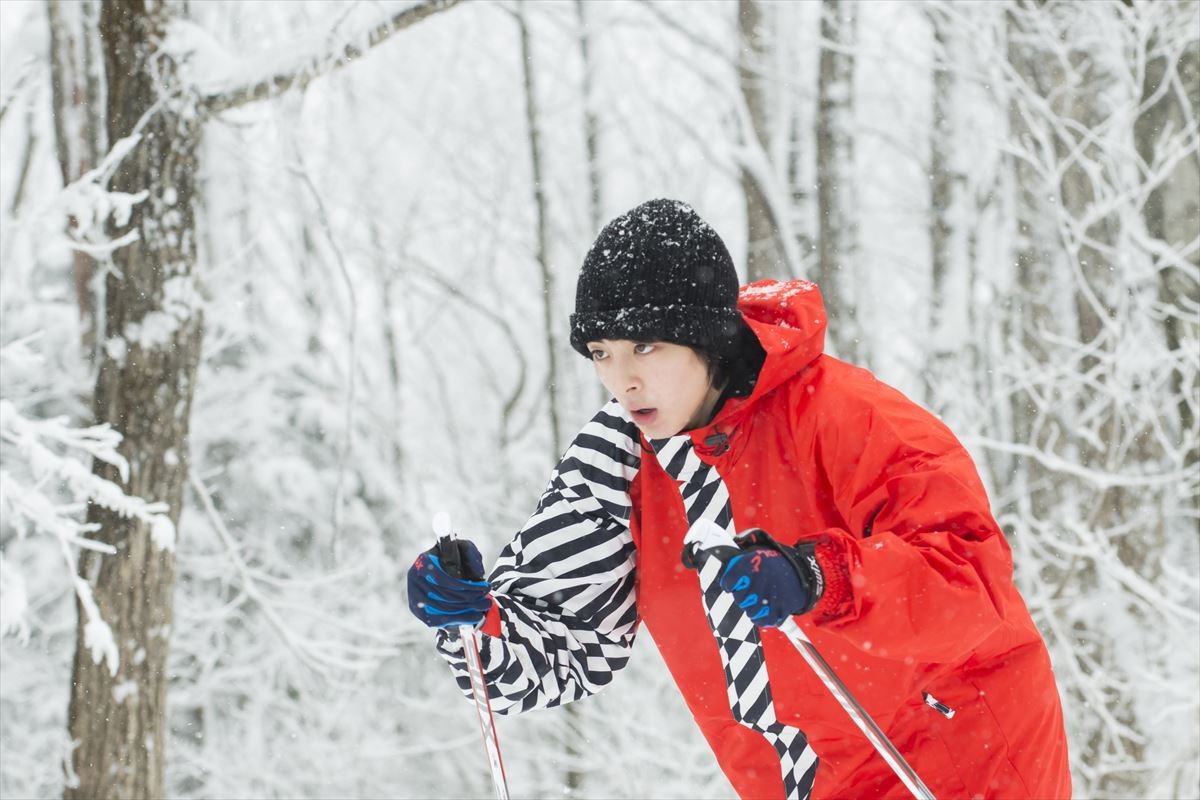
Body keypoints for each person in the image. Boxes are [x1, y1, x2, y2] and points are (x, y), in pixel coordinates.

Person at [407, 199, 1071, 799]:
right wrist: (471, 617)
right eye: (602, 352)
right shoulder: (622, 457)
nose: (624, 378)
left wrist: (820, 578)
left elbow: (971, 579)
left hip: (959, 761)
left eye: (646, 345)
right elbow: (563, 650)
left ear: (706, 337)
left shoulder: (847, 418)